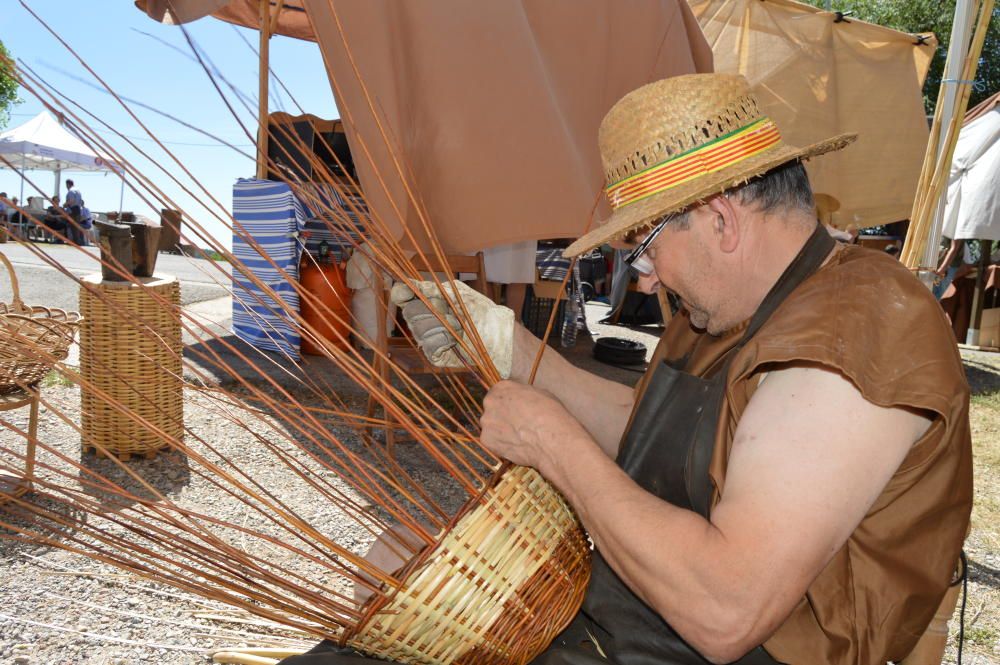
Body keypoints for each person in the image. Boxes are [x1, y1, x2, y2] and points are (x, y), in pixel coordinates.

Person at [286, 75, 973, 665]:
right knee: (382, 608)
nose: (642, 281)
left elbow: (726, 610)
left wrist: (557, 449)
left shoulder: (861, 327)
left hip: (708, 644)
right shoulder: (727, 308)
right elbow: (653, 435)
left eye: (644, 248)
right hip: (626, 624)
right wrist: (507, 348)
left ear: (719, 220)